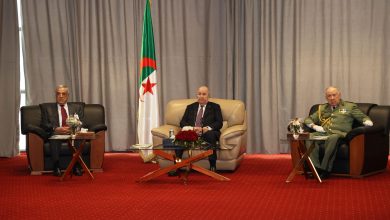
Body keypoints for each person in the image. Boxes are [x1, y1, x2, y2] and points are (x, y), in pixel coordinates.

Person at [304, 86, 373, 179]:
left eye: (334, 95)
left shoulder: (349, 107)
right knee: (309, 137)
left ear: (339, 95)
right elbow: (308, 119)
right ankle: (316, 168)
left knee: (333, 137)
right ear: (326, 97)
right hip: (324, 133)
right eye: (329, 96)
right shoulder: (322, 108)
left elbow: (362, 117)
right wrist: (314, 126)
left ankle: (325, 170)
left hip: (340, 134)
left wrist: (367, 122)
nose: (332, 98)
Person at [40, 85, 84, 177]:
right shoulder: (47, 108)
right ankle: (56, 167)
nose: (61, 96)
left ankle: (77, 166)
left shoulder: (76, 107)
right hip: (57, 133)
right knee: (54, 138)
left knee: (78, 138)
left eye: (63, 94)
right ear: (55, 95)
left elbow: (82, 122)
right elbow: (43, 124)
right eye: (58, 94)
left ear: (67, 95)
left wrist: (73, 128)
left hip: (72, 133)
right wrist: (55, 128)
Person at [178, 86, 223, 172]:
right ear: (197, 95)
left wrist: (207, 128)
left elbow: (219, 122)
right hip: (192, 133)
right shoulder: (190, 107)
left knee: (210, 134)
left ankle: (212, 165)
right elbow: (182, 122)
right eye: (199, 94)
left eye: (204, 94)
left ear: (208, 96)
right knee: (180, 136)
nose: (201, 96)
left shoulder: (215, 107)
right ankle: (177, 165)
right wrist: (192, 128)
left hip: (208, 132)